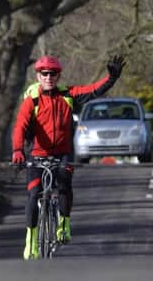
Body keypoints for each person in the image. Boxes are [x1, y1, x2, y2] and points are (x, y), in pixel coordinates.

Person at [11, 54, 126, 260]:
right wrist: (18, 150)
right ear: (38, 76)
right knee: (34, 193)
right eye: (44, 73)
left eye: (53, 74)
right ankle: (31, 242)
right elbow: (20, 126)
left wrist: (111, 78)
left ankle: (63, 225)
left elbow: (93, 90)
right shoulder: (32, 100)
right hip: (36, 155)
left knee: (64, 185)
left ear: (58, 76)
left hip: (62, 154)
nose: (48, 77)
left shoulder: (68, 95)